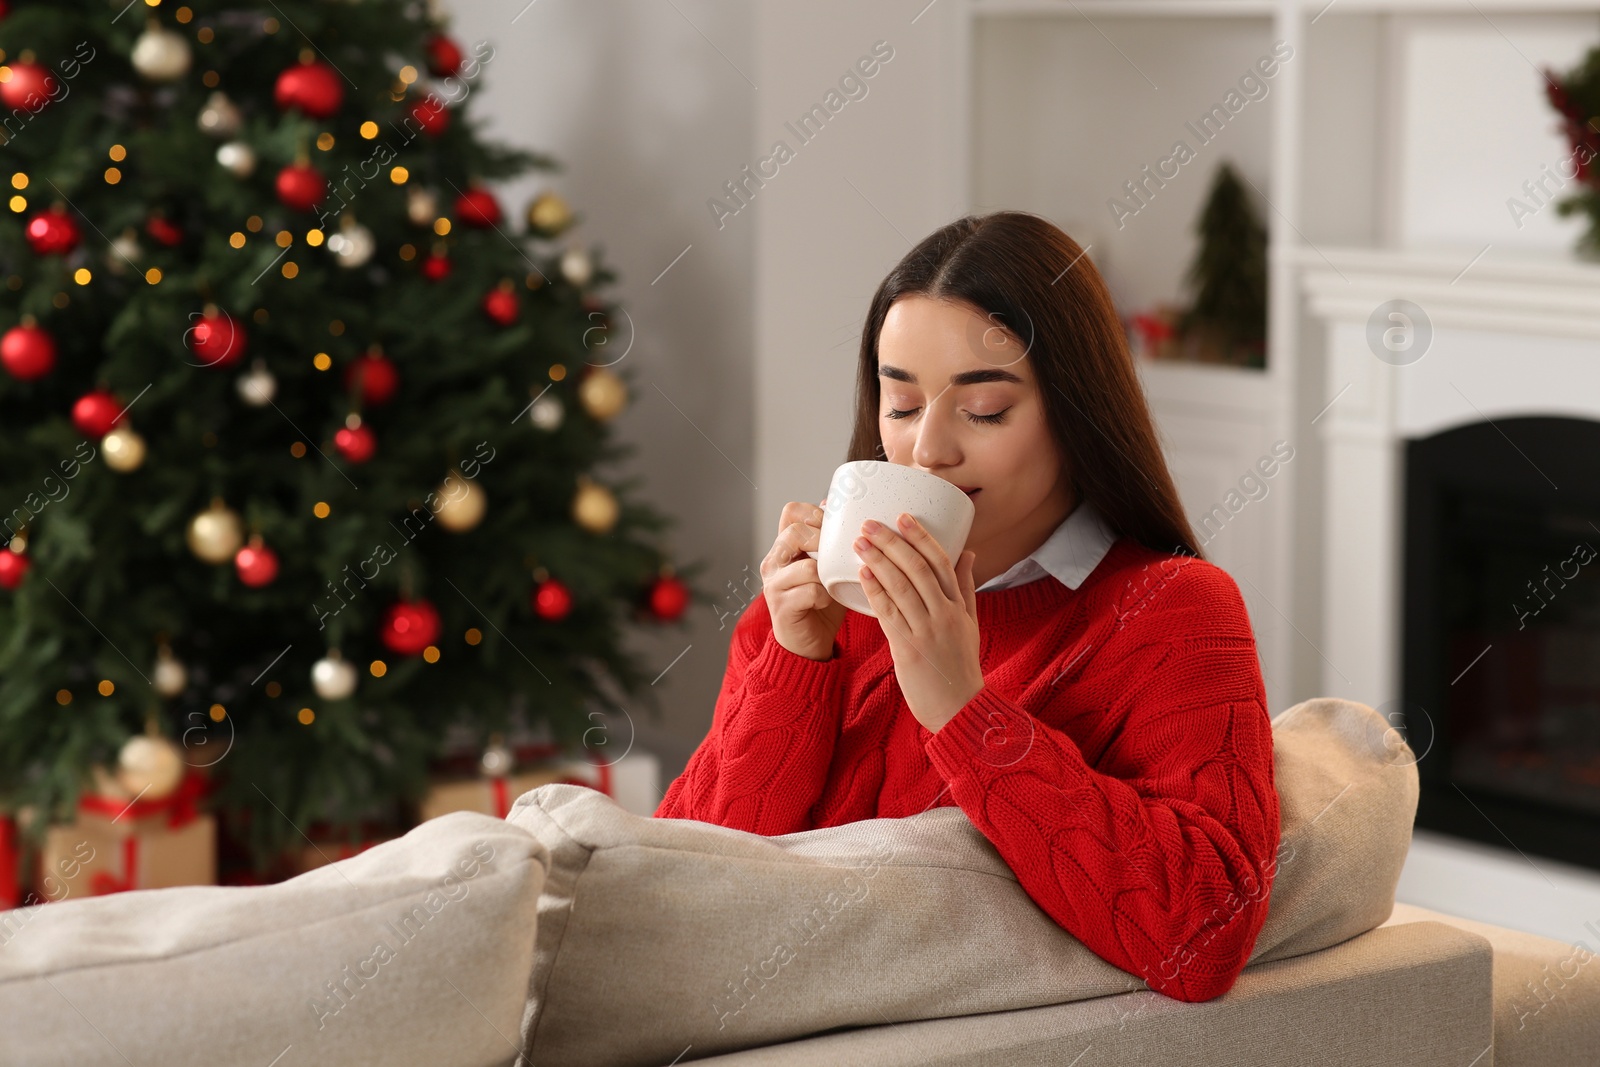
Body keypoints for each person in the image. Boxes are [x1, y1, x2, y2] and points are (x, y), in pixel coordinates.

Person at [655, 210, 1280, 1004]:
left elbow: (1204, 937)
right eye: (902, 405)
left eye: (983, 410)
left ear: (1078, 412)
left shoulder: (1173, 610)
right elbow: (680, 894)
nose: (928, 451)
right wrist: (791, 664)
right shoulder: (815, 615)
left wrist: (963, 708)